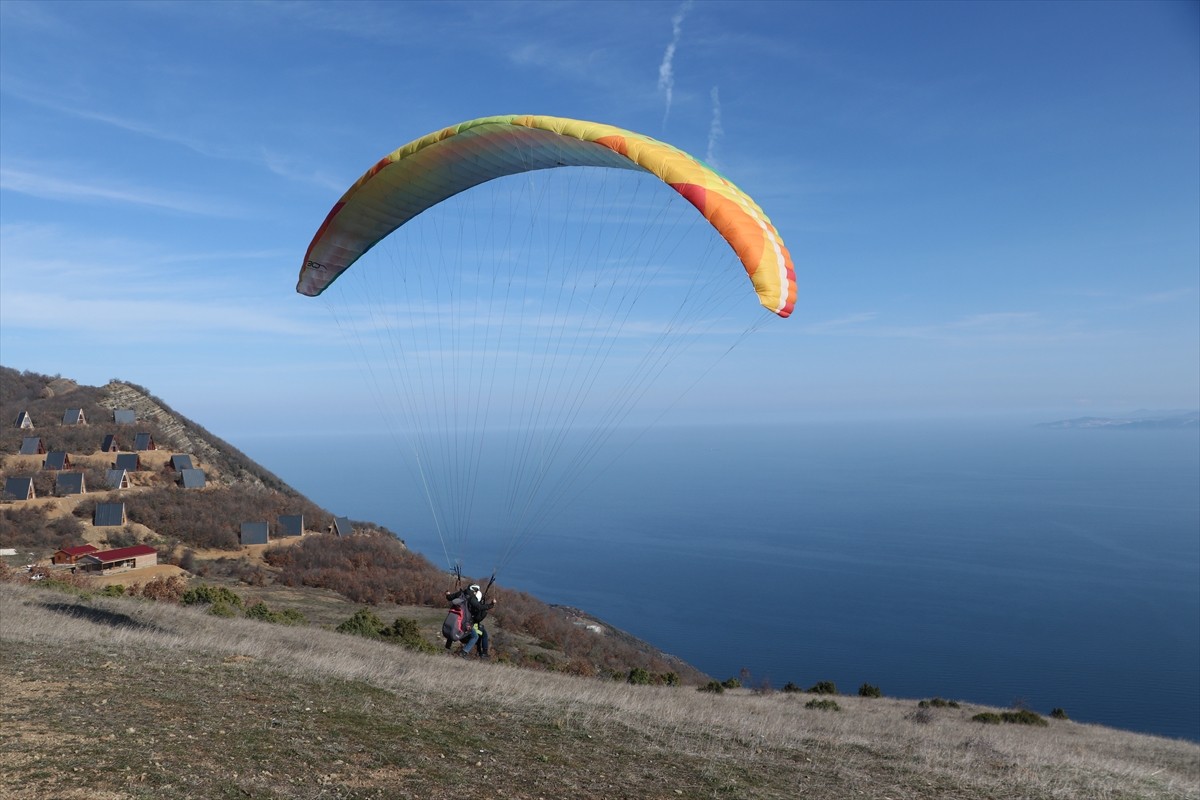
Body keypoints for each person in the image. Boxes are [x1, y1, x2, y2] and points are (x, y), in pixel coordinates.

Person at [446, 583, 497, 658]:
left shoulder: (461, 593)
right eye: (476, 591)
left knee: (454, 626)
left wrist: (447, 594)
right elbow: (479, 607)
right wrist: (491, 605)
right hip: (464, 622)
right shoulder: (472, 599)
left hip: (454, 618)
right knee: (475, 636)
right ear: (473, 590)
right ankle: (464, 652)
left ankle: (448, 645)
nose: (476, 592)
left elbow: (449, 597)